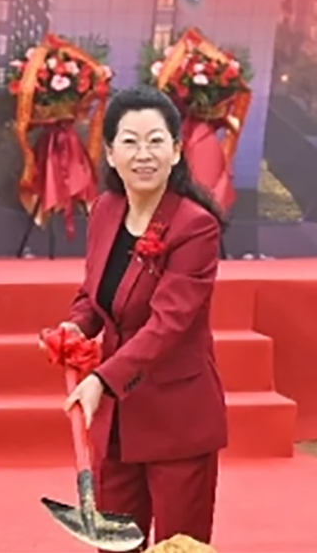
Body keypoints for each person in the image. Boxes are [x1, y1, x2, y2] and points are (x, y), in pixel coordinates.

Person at [47, 86, 228, 549]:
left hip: (177, 419)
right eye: (129, 142)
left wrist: (102, 379)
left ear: (176, 150)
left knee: (178, 547)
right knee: (114, 545)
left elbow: (168, 324)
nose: (143, 154)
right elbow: (94, 293)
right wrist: (75, 326)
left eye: (155, 141)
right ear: (110, 153)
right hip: (118, 422)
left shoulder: (195, 226)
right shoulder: (106, 210)